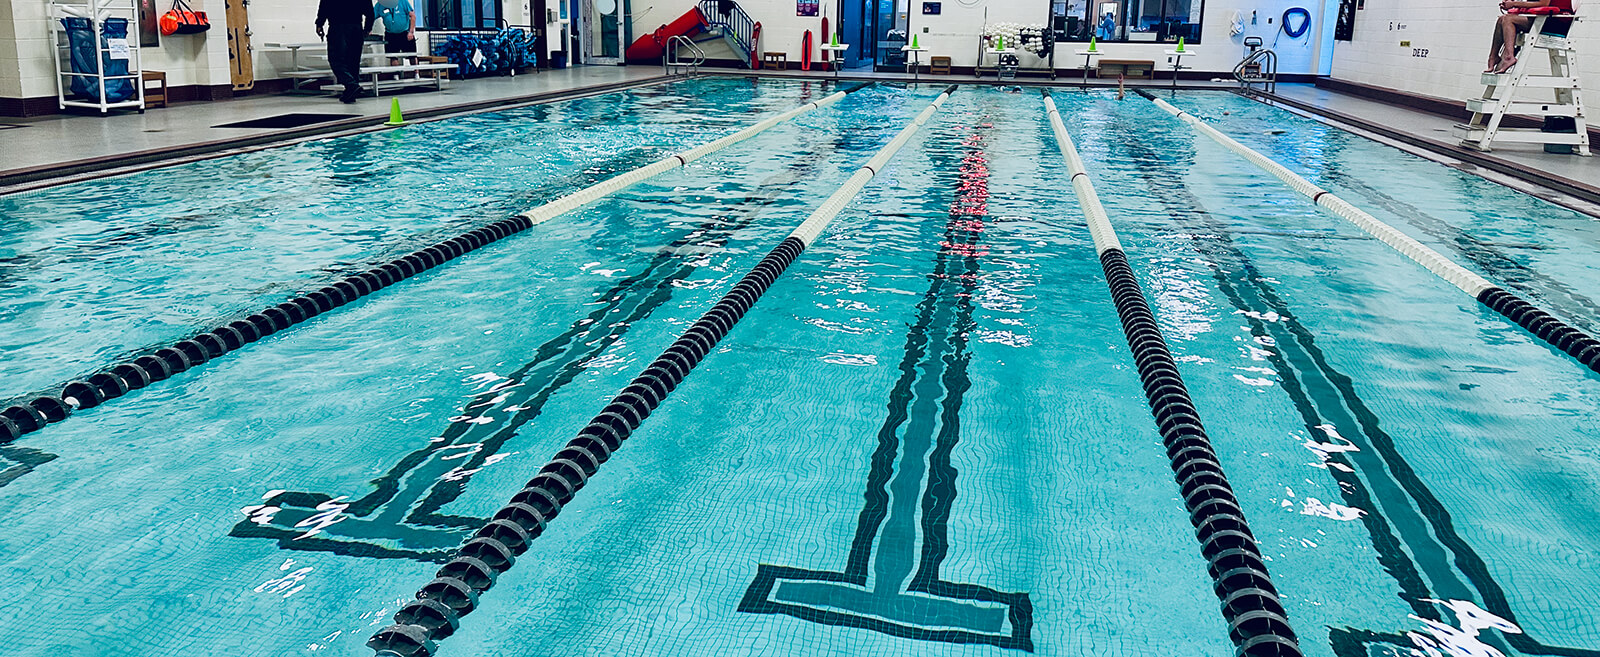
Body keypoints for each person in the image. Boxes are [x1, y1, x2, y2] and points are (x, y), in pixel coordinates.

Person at [1486, 0, 1573, 73]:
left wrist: (1514, 4)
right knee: (1501, 19)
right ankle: (1493, 57)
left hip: (1557, 21)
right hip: (1543, 18)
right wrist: (1509, 3)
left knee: (1508, 19)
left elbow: (1543, 3)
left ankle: (1509, 57)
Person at [316, 0, 375, 103]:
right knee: (353, 60)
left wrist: (319, 23)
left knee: (336, 59)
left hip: (338, 26)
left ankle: (351, 85)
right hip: (356, 27)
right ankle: (350, 93)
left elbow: (324, 6)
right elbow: (370, 11)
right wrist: (367, 28)